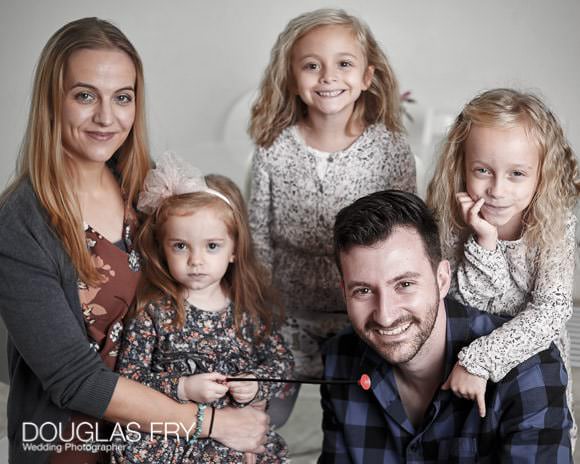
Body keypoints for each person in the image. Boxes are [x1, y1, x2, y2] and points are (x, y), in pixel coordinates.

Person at [0, 18, 269, 464]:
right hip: (77, 442)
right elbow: (75, 379)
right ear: (53, 101)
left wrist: (244, 394)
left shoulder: (152, 188)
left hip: (174, 436)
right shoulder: (20, 225)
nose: (107, 117)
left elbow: (219, 291)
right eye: (85, 96)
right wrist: (211, 424)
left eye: (122, 98)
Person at [248, 7, 415, 424]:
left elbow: (405, 238)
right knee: (264, 416)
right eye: (311, 65)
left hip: (366, 320)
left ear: (366, 77)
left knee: (359, 420)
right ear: (291, 77)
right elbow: (258, 237)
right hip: (289, 315)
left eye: (343, 64)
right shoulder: (273, 148)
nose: (327, 77)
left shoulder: (389, 149)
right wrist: (262, 313)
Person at [319, 189, 572, 463]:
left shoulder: (529, 371)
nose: (385, 316)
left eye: (404, 285)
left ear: (442, 280)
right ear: (344, 291)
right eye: (363, 291)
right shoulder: (339, 359)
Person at [111, 153, 293, 463]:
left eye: (212, 246)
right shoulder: (154, 312)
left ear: (234, 249)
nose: (196, 261)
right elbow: (129, 379)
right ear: (163, 248)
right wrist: (182, 387)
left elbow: (282, 363)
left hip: (235, 438)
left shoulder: (247, 310)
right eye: (181, 246)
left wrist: (256, 383)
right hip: (173, 435)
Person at [426, 88, 580, 442]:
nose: (496, 189)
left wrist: (479, 361)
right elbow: (461, 300)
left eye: (516, 174)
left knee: (529, 442)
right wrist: (483, 240)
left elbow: (551, 311)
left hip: (530, 359)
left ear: (542, 173)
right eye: (482, 170)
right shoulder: (450, 218)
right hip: (461, 354)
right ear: (461, 165)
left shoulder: (555, 223)